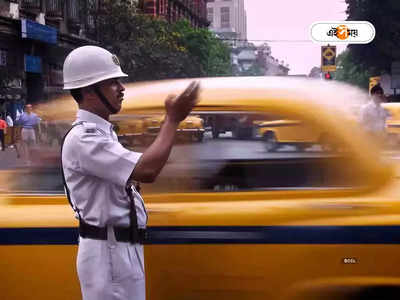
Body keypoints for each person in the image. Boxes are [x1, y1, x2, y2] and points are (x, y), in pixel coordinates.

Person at [61, 45, 200, 300]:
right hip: (108, 254)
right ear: (89, 91)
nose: (121, 88)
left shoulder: (104, 133)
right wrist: (172, 120)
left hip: (119, 249)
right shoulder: (85, 138)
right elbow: (147, 169)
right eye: (112, 82)